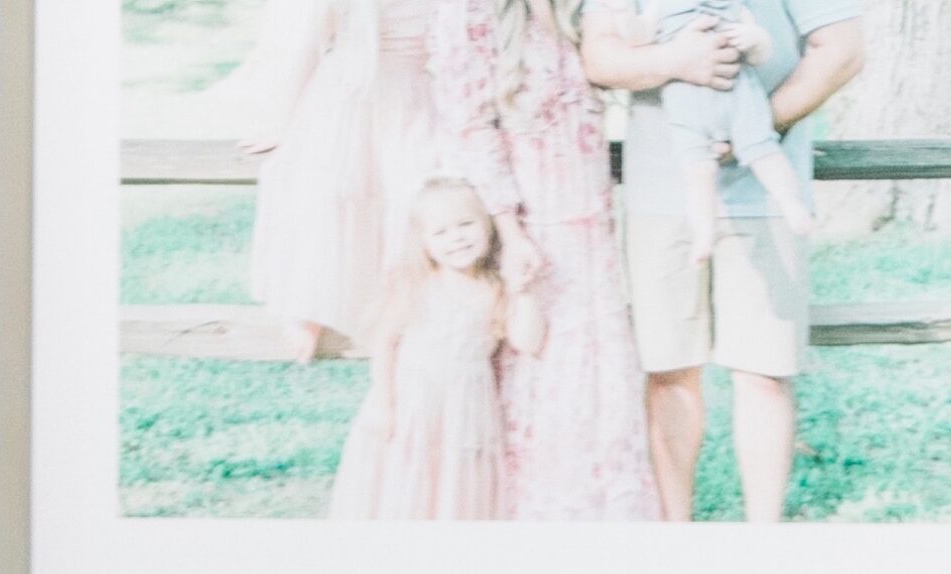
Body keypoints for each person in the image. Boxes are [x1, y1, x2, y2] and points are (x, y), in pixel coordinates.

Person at [583, 0, 869, 523]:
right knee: (669, 370)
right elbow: (599, 55)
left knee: (763, 372)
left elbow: (843, 51)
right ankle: (677, 533)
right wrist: (675, 60)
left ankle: (762, 541)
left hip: (764, 194)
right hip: (663, 196)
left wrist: (756, 127)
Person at [427, 0, 662, 518]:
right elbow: (468, 126)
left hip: (594, 235)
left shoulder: (575, 10)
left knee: (604, 393)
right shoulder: (469, 12)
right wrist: (510, 232)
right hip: (531, 229)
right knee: (542, 381)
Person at [212, 0, 443, 361]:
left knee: (409, 198)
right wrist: (282, 120)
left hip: (410, 98)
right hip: (345, 95)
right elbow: (308, 45)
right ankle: (312, 304)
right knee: (331, 191)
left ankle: (398, 311)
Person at [329, 178, 543, 519]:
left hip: (466, 409)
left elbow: (528, 342)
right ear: (424, 243)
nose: (456, 238)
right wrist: (386, 403)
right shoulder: (419, 286)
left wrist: (525, 290)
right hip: (415, 403)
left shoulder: (495, 288)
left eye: (465, 225)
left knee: (452, 481)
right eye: (440, 232)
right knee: (409, 474)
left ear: (487, 227)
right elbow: (385, 342)